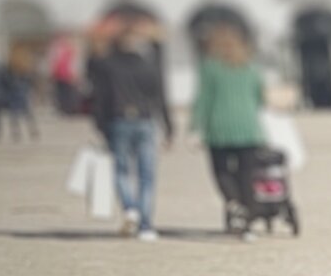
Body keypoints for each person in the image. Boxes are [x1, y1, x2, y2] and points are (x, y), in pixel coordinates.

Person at [87, 24, 172, 240]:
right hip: (145, 120)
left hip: (118, 119)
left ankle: (130, 208)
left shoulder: (108, 66)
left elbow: (99, 93)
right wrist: (169, 126)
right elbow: (160, 95)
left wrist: (100, 125)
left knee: (121, 171)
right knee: (147, 176)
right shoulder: (148, 66)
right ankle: (146, 225)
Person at [191, 26, 269, 235]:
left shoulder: (210, 67)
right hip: (249, 127)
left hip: (219, 127)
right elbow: (261, 97)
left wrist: (194, 126)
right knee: (247, 174)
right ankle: (247, 217)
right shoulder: (250, 67)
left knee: (221, 171)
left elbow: (203, 99)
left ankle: (233, 203)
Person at [2, 51, 39, 143]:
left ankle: (18, 131)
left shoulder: (11, 70)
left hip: (16, 93)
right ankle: (30, 131)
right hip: (19, 92)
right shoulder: (21, 69)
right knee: (25, 113)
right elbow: (29, 80)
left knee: (17, 114)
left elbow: (5, 81)